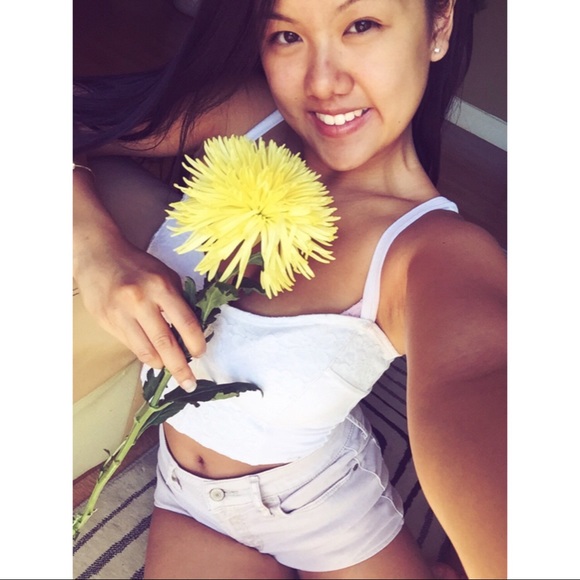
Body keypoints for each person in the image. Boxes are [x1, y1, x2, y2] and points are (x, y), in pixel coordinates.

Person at [73, 0, 507, 578]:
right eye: (286, 36)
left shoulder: (436, 252)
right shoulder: (249, 118)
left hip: (323, 507)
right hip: (187, 498)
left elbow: (485, 379)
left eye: (361, 25)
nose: (323, 82)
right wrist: (94, 251)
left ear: (439, 24)